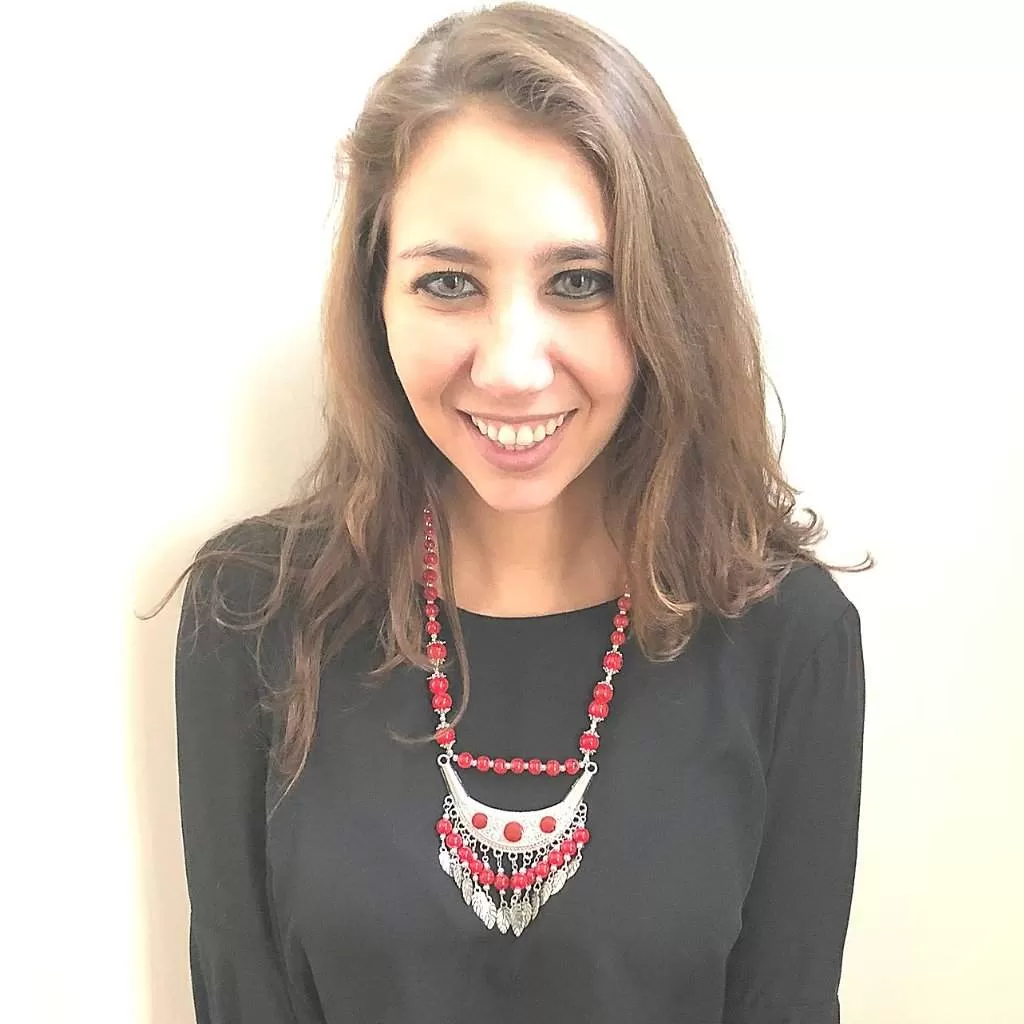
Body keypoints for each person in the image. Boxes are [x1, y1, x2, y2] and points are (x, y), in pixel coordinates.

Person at [163, 3, 872, 1021]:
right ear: (376, 299)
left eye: (579, 282)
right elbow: (239, 995)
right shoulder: (250, 613)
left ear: (663, 303)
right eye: (447, 283)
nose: (508, 366)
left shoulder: (785, 636)